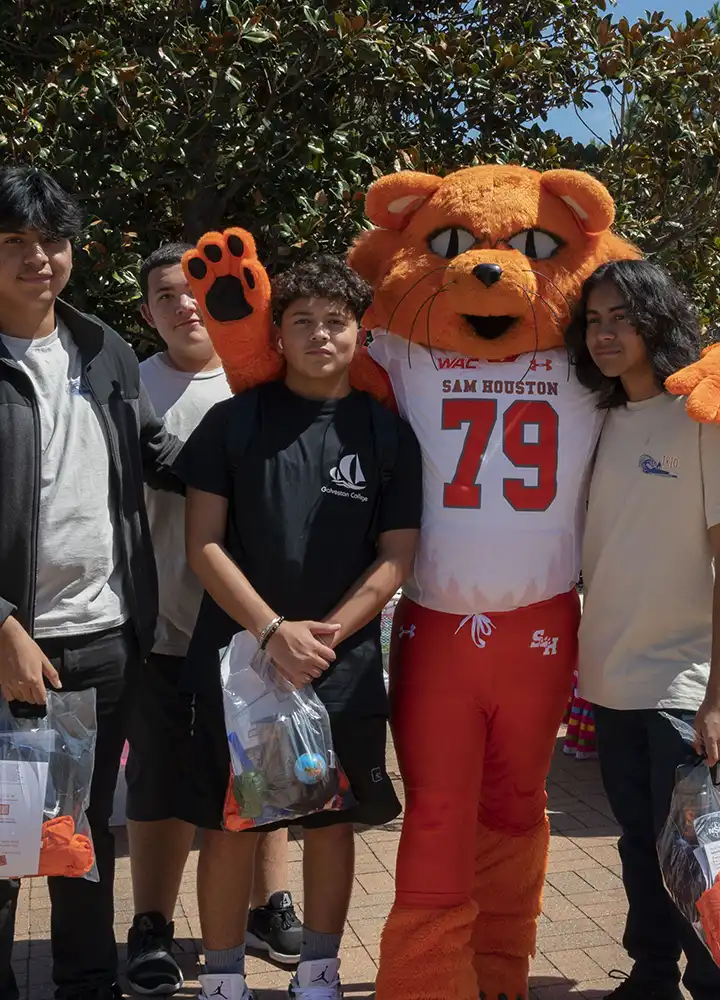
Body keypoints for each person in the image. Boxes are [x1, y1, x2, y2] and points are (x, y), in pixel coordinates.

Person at [174, 255, 422, 1000]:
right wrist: (273, 630)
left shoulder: (387, 436)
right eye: (303, 320)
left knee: (329, 820)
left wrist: (325, 636)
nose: (321, 334)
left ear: (359, 333)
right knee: (229, 824)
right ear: (277, 332)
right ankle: (222, 977)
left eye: (336, 321)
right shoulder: (234, 422)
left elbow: (397, 556)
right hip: (237, 662)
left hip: (336, 665)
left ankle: (319, 969)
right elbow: (203, 544)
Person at [0, 166, 182, 1000]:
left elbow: (148, 452)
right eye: (14, 244)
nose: (38, 259)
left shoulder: (101, 344)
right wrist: (4, 628)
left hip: (104, 636)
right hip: (11, 646)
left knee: (77, 835)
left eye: (52, 241)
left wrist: (254, 461)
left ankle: (85, 982)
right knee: (3, 843)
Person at [568, 260, 720, 1000]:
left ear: (656, 320)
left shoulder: (707, 414)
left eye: (621, 317)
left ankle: (719, 987)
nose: (606, 334)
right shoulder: (598, 417)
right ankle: (651, 974)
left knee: (697, 848)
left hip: (680, 683)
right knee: (637, 843)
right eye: (593, 321)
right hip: (608, 677)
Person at [124, 244, 302, 994]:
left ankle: (272, 907)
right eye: (166, 295)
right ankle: (152, 924)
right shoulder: (127, 384)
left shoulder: (258, 373)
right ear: (147, 312)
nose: (184, 305)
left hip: (253, 622)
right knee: (159, 782)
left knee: (263, 771)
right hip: (160, 617)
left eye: (195, 289)